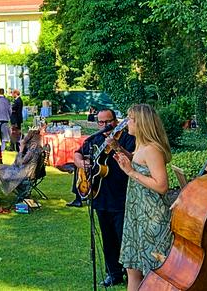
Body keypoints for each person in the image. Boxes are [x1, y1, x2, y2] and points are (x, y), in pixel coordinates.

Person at [66, 109, 136, 287]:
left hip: (121, 196)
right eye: (101, 122)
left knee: (123, 238)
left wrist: (117, 147)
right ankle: (113, 273)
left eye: (109, 121)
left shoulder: (128, 137)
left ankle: (132, 274)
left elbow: (135, 161)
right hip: (99, 195)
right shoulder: (95, 139)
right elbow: (77, 154)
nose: (105, 126)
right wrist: (82, 163)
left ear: (116, 121)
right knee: (107, 238)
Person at [113, 104, 173, 291]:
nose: (126, 122)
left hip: (151, 217)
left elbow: (162, 186)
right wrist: (125, 158)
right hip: (137, 215)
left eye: (130, 119)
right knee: (133, 268)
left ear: (141, 123)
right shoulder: (141, 145)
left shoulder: (152, 149)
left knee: (152, 271)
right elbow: (141, 165)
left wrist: (131, 172)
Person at [0, 129, 43, 194]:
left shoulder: (33, 149)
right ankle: (22, 191)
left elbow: (19, 162)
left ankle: (21, 191)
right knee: (2, 168)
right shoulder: (38, 148)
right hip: (29, 172)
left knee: (1, 170)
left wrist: (21, 150)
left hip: (26, 174)